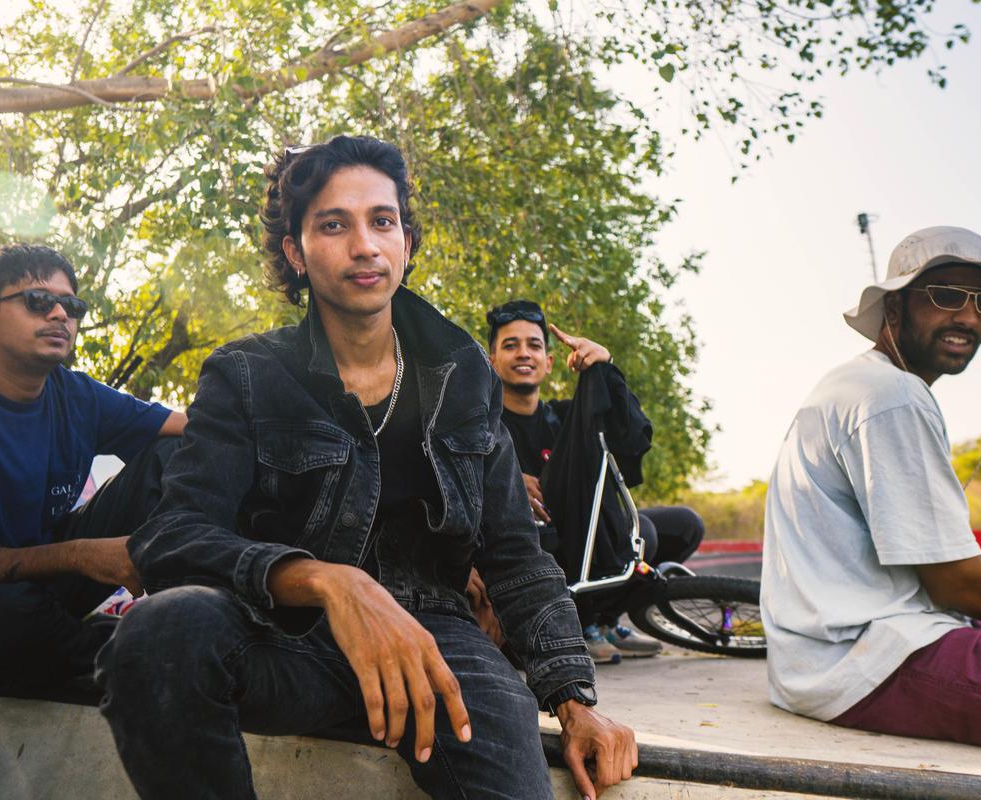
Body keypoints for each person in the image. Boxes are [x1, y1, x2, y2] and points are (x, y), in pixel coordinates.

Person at [96, 136, 637, 800]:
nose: (364, 245)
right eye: (333, 224)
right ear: (295, 251)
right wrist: (325, 582)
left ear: (405, 241)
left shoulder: (462, 373)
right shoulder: (246, 374)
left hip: (436, 642)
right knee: (160, 631)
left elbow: (514, 552)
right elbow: (171, 538)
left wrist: (574, 697)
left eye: (382, 221)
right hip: (284, 639)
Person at [762, 225, 981, 765]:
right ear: (895, 309)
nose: (968, 317)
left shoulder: (864, 382)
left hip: (860, 646)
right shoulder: (889, 395)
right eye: (945, 296)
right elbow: (955, 580)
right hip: (868, 663)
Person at [0, 244, 186, 692]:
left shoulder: (78, 396)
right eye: (37, 301)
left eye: (71, 306)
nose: (59, 315)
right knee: (9, 614)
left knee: (174, 455)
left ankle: (201, 611)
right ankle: (125, 663)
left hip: (43, 589)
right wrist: (79, 554)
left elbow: (188, 428)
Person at [485, 300, 705, 662]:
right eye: (511, 345)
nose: (523, 353)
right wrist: (503, 476)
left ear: (549, 362)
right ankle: (575, 625)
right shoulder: (483, 428)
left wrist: (605, 366)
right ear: (492, 361)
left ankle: (602, 621)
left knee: (679, 526)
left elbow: (629, 436)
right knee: (628, 534)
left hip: (589, 539)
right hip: (530, 551)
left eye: (534, 345)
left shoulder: (564, 418)